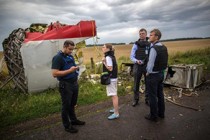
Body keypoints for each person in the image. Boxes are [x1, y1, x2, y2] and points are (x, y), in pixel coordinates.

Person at [51, 40, 85, 133]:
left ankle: (73, 120)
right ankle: (67, 126)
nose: (71, 51)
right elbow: (54, 73)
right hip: (65, 85)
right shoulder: (57, 58)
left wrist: (76, 70)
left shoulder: (70, 56)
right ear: (65, 47)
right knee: (66, 106)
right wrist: (69, 71)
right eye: (70, 49)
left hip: (74, 83)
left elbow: (72, 68)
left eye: (72, 49)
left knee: (72, 104)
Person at [145, 29, 168, 122]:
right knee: (160, 94)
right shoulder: (164, 47)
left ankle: (153, 116)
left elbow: (150, 64)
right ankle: (161, 113)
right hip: (161, 74)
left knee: (152, 96)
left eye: (151, 35)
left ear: (156, 37)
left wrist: (147, 72)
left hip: (153, 76)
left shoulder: (154, 48)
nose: (149, 36)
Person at [130, 28, 150, 107]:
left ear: (146, 34)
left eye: (143, 33)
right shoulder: (136, 44)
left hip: (147, 65)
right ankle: (136, 99)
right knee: (136, 83)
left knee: (147, 82)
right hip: (138, 65)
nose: (141, 35)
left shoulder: (149, 44)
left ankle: (147, 99)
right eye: (140, 34)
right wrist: (136, 61)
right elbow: (131, 56)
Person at [102, 43, 119, 120]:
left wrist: (104, 62)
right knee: (114, 95)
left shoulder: (108, 57)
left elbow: (110, 68)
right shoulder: (112, 56)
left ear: (108, 49)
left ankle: (116, 113)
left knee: (114, 96)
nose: (102, 48)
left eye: (104, 47)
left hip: (111, 78)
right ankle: (115, 109)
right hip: (114, 77)